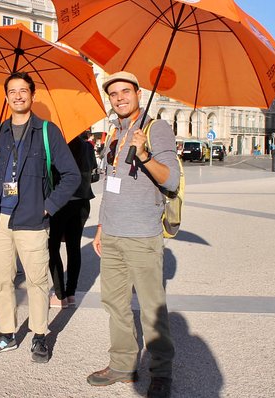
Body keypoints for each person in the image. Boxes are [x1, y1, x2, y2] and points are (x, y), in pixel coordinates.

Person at [0, 72, 80, 363]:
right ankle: (7, 334)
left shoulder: (48, 132)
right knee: (1, 281)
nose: (18, 95)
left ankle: (39, 335)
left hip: (33, 220)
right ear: (6, 96)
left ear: (33, 95)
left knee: (37, 282)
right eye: (12, 91)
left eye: (23, 90)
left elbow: (71, 176)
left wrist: (48, 206)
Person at [87, 72, 179, 398]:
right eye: (114, 94)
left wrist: (144, 155)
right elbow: (111, 186)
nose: (120, 98)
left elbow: (170, 179)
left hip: (142, 235)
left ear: (138, 93)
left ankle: (162, 372)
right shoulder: (114, 132)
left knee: (152, 307)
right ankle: (123, 364)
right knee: (114, 302)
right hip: (111, 233)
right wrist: (100, 226)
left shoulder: (157, 130)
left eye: (126, 91)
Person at [47, 133, 97, 308]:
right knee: (74, 248)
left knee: (53, 247)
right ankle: (71, 294)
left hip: (60, 202)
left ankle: (59, 295)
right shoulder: (88, 147)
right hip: (82, 201)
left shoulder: (57, 146)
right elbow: (94, 174)